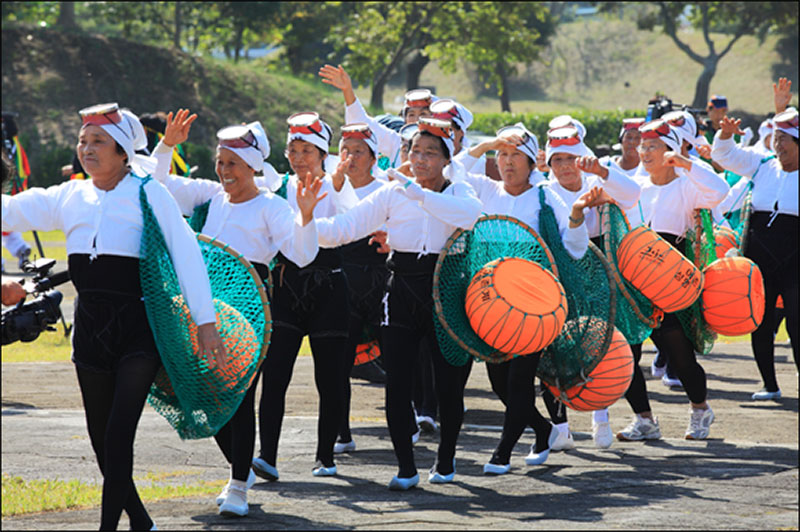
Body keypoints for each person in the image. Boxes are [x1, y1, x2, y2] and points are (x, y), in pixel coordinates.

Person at [2, 103, 226, 531]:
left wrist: (206, 323)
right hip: (90, 331)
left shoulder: (147, 192)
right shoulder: (71, 195)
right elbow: (10, 211)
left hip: (138, 329)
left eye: (97, 141)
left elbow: (186, 252)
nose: (86, 148)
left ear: (123, 151)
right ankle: (140, 520)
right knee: (101, 439)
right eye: (83, 140)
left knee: (120, 433)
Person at [151, 111, 323, 517]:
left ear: (254, 167)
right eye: (220, 161)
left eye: (233, 163)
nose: (223, 170)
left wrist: (307, 215)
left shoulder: (271, 207)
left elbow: (302, 253)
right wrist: (167, 145)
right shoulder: (210, 196)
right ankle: (239, 473)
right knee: (206, 395)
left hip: (247, 310)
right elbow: (159, 187)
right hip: (200, 306)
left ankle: (238, 486)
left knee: (239, 398)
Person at [314, 117, 482, 489]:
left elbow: (471, 218)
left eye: (429, 153)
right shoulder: (392, 192)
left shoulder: (459, 193)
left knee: (449, 386)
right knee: (398, 384)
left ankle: (446, 458)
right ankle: (406, 468)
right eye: (414, 151)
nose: (419, 159)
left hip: (445, 292)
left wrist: (417, 191)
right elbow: (342, 229)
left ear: (446, 160)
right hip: (402, 288)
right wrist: (306, 220)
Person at [455, 122, 609, 471]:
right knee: (499, 380)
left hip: (534, 302)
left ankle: (503, 452)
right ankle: (543, 429)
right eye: (502, 155)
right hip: (489, 300)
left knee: (520, 378)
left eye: (515, 156)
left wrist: (575, 215)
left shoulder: (544, 196)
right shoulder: (483, 190)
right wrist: (487, 143)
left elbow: (575, 247)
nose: (507, 163)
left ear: (530, 162)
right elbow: (452, 169)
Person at [252, 111, 359, 482]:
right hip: (285, 289)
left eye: (306, 151)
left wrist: (341, 182)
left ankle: (326, 456)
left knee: (330, 379)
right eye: (293, 150)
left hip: (329, 289)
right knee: (275, 374)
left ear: (322, 153)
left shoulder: (336, 184)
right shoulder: (277, 188)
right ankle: (267, 456)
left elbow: (356, 218)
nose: (298, 158)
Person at [616, 119, 729, 442]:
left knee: (679, 354)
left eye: (653, 146)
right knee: (626, 355)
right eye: (642, 146)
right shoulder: (635, 186)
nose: (645, 151)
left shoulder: (686, 185)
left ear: (670, 150)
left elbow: (719, 191)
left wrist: (687, 163)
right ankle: (644, 419)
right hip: (632, 284)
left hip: (670, 284)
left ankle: (700, 409)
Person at [540, 123, 641, 449]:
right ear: (548, 163)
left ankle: (601, 417)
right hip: (557, 274)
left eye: (572, 157)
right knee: (552, 350)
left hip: (597, 276)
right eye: (558, 159)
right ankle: (560, 428)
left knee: (599, 347)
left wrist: (601, 169)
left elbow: (633, 194)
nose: (565, 166)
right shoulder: (543, 191)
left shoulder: (599, 183)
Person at [711, 104, 798, 401]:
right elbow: (724, 156)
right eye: (776, 138)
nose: (778, 144)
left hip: (794, 261)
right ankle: (769, 385)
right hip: (759, 259)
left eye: (784, 140)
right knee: (759, 323)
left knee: (797, 323)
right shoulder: (763, 165)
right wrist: (724, 135)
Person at [329, 122, 392, 454]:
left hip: (382, 281)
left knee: (396, 358)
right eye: (345, 150)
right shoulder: (329, 189)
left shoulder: (387, 189)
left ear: (373, 158)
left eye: (358, 152)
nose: (350, 157)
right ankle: (342, 432)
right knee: (341, 362)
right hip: (344, 281)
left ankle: (406, 417)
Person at [319, 63, 433, 170]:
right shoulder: (395, 141)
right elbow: (361, 122)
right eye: (411, 115)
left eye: (423, 114)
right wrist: (347, 90)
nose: (416, 120)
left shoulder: (443, 143)